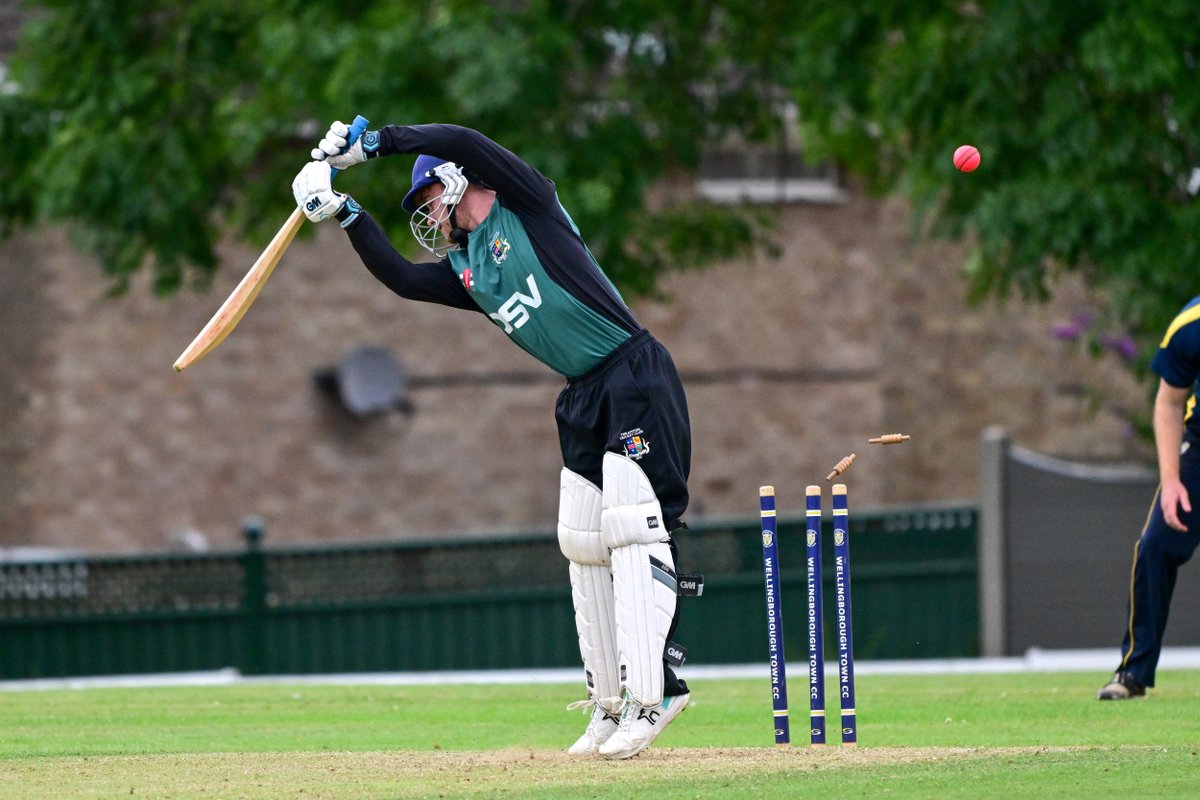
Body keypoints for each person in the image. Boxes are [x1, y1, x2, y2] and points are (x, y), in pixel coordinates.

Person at [292, 121, 697, 757]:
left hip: (632, 372)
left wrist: (375, 145)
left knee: (632, 525)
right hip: (581, 394)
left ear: (455, 184)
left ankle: (660, 691)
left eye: (429, 198)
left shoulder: (527, 205)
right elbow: (399, 278)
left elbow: (465, 139)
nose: (428, 214)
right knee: (583, 539)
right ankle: (611, 703)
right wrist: (345, 212)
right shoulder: (468, 271)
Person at [1097, 296, 1200, 700]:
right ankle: (1132, 673)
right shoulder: (1191, 324)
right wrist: (1172, 481)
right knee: (1155, 545)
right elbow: (1170, 402)